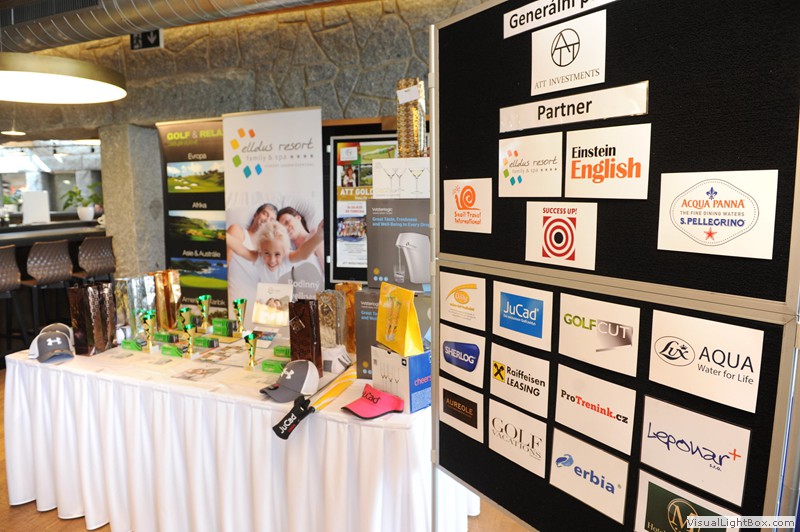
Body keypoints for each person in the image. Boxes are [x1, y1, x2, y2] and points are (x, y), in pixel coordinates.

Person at [226, 203, 278, 311]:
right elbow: (224, 265)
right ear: (255, 215)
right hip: (234, 305)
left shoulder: (267, 250)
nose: (267, 220)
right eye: (265, 214)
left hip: (257, 310)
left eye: (272, 219)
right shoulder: (238, 232)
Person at [255, 219, 324, 282]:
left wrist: (319, 236)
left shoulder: (287, 258)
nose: (272, 260)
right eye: (267, 253)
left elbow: (301, 254)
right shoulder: (260, 257)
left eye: (277, 254)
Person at [277, 206, 325, 272]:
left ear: (298, 218)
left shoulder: (315, 234)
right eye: (282, 228)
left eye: (287, 222)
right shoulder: (290, 253)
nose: (286, 228)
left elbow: (328, 270)